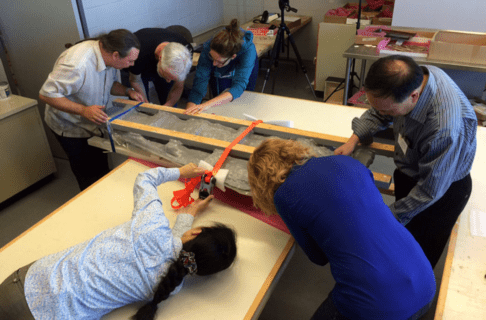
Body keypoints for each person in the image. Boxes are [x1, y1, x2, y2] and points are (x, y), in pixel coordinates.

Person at [0, 163, 237, 320]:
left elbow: (145, 179)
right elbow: (175, 255)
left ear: (196, 234)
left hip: (25, 284)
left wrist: (180, 172)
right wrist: (190, 214)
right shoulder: (171, 286)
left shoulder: (152, 225)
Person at [248, 138, 436, 320]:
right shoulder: (346, 161)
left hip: (377, 303)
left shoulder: (283, 196)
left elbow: (318, 257)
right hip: (424, 280)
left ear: (262, 181)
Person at [334, 55, 476, 269]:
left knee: (418, 255)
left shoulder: (443, 130)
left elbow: (429, 191)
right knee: (399, 238)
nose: (382, 114)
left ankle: (412, 296)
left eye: (389, 111)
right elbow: (379, 111)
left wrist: (386, 218)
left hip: (441, 191)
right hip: (412, 166)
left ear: (414, 96)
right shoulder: (418, 76)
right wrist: (354, 140)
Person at [39, 29, 145, 191]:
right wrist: (83, 110)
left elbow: (109, 85)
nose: (132, 65)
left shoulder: (109, 58)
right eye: (130, 61)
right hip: (69, 126)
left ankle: (104, 190)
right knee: (86, 172)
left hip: (92, 122)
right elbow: (47, 94)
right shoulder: (77, 63)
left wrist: (128, 91)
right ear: (116, 55)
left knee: (100, 164)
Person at [185, 19, 258, 115]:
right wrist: (190, 111)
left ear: (233, 57)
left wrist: (206, 105)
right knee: (219, 96)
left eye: (218, 61)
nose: (214, 64)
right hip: (222, 57)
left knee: (243, 98)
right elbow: (199, 83)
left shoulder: (248, 50)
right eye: (212, 58)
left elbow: (239, 86)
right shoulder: (209, 48)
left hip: (244, 61)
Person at [124, 28, 193, 105]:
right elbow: (135, 81)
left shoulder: (186, 54)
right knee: (139, 104)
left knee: (168, 101)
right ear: (159, 59)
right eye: (167, 77)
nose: (168, 81)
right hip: (141, 66)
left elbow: (178, 86)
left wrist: (167, 107)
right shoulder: (137, 53)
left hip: (163, 68)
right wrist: (146, 105)